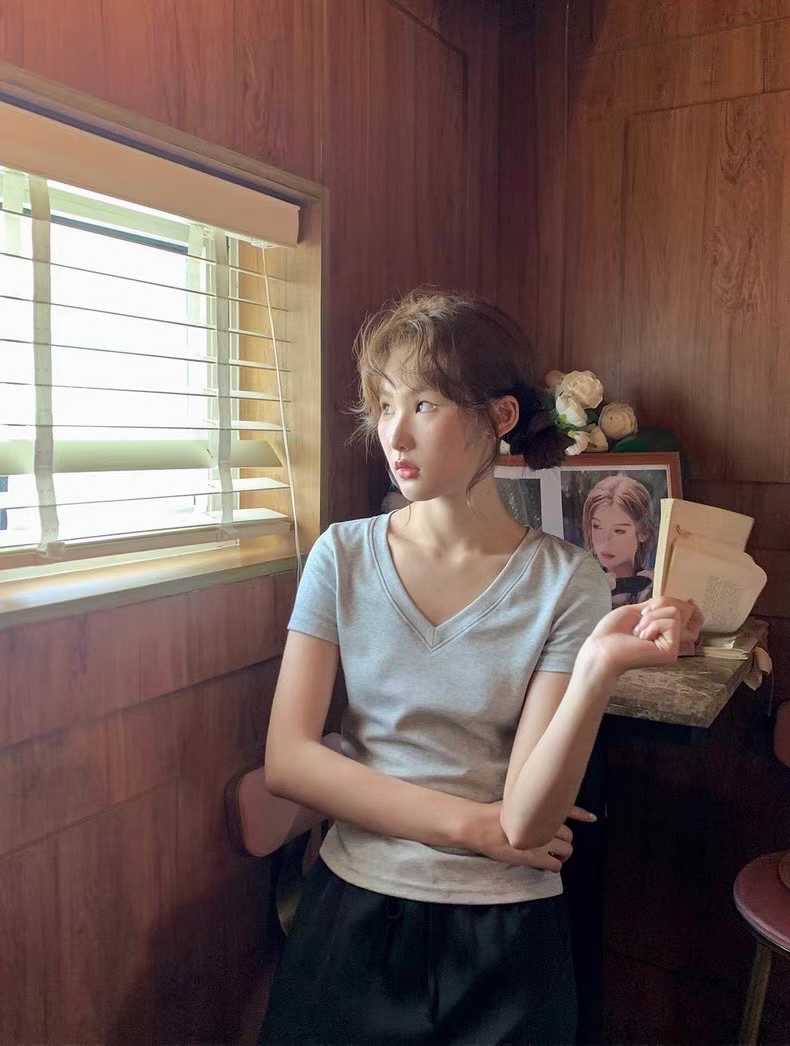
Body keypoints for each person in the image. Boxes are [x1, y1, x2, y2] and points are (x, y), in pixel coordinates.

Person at [258, 290, 696, 1045]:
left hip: (504, 935)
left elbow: (527, 823)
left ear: (499, 417)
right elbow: (288, 760)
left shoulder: (567, 581)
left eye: (424, 405)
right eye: (385, 404)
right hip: (354, 908)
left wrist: (597, 669)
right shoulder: (342, 555)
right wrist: (471, 826)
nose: (394, 433)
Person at [582, 475, 656, 608]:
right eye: (597, 526)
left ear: (643, 532)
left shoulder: (653, 586)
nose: (606, 541)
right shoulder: (580, 586)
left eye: (619, 531)